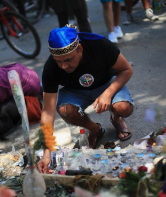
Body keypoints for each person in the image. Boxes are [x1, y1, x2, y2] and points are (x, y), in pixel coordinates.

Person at [37, 25, 134, 173]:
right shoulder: (51, 67)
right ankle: (95, 130)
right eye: (58, 61)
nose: (63, 66)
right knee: (65, 110)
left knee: (123, 107)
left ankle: (117, 118)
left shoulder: (100, 45)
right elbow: (48, 112)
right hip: (75, 91)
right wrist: (46, 153)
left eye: (68, 59)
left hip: (106, 83)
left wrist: (108, 93)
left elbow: (127, 69)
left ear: (80, 48)